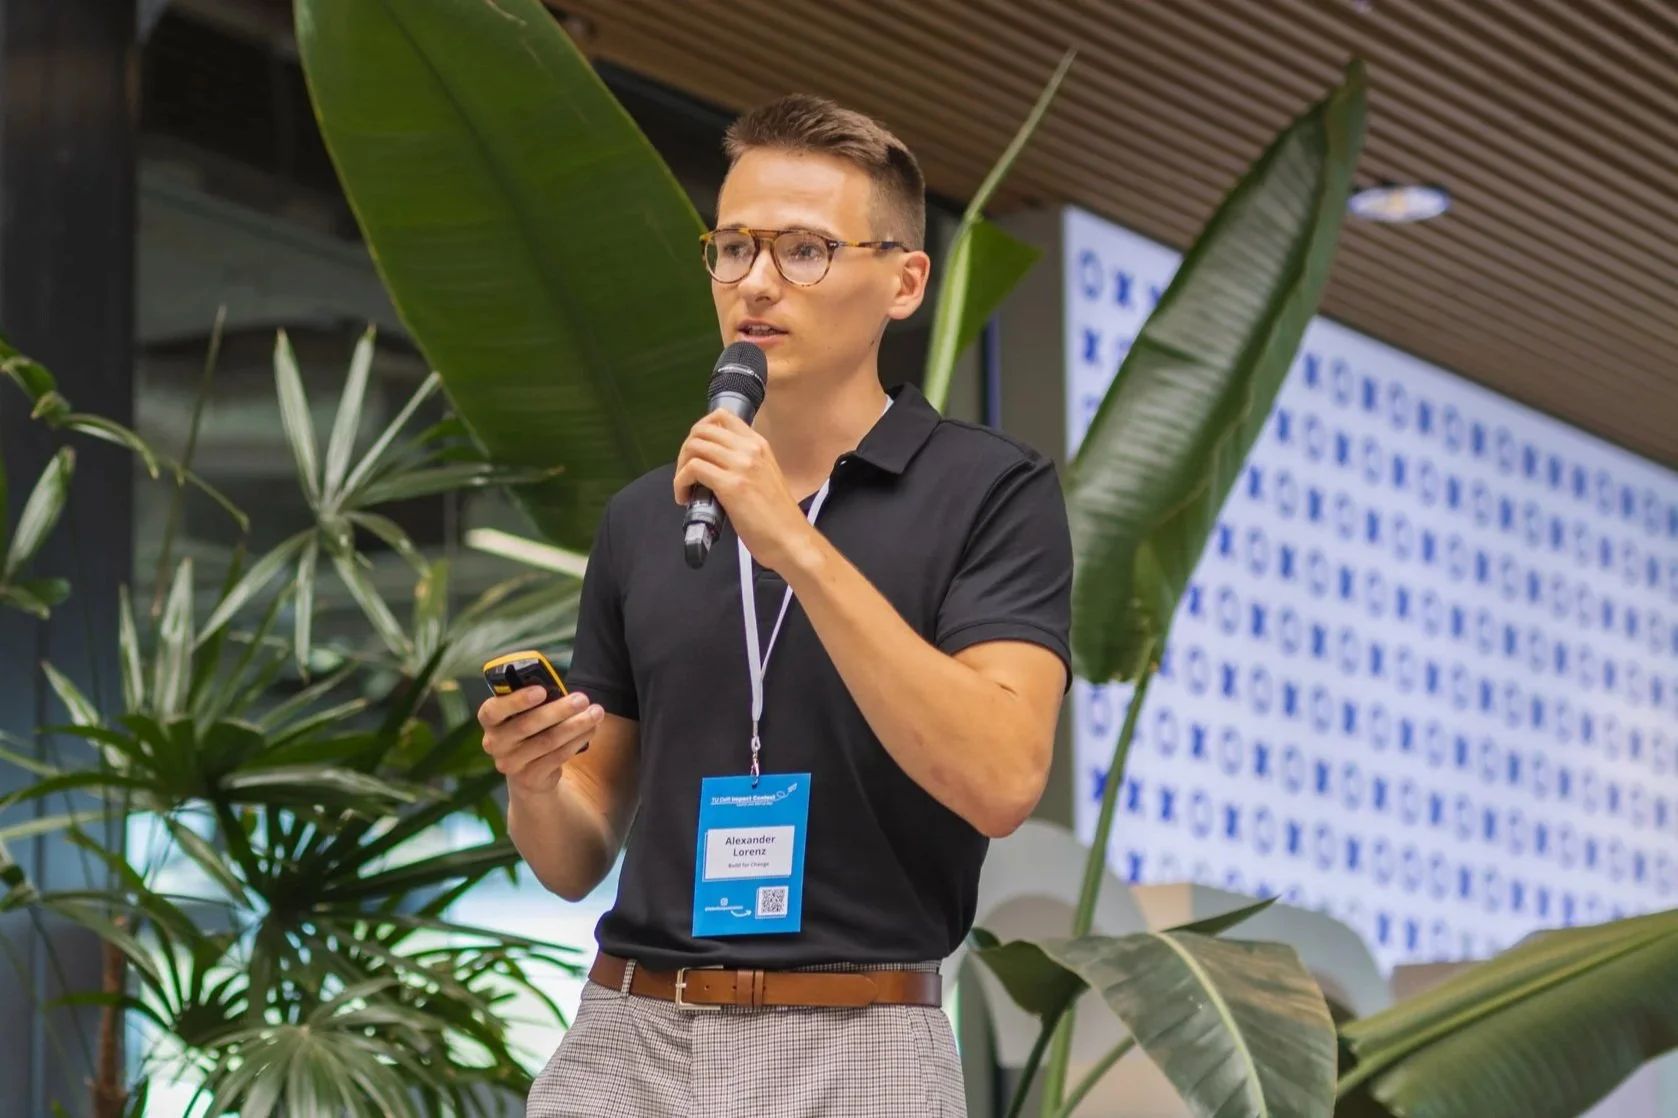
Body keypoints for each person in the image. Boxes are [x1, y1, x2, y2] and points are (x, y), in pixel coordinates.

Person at [479, 92, 1073, 1117]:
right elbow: (576, 855)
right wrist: (534, 781)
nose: (755, 282)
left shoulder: (989, 491)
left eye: (803, 251)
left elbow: (1002, 776)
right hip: (628, 1032)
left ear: (902, 279)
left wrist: (792, 537)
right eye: (733, 247)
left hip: (859, 1039)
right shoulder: (646, 516)